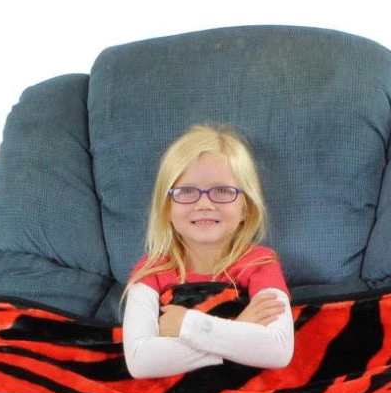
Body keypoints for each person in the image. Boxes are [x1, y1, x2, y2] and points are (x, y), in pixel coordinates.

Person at [123, 124, 294, 380]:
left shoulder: (261, 263)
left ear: (245, 208)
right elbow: (140, 361)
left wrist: (187, 325)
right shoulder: (151, 268)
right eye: (186, 191)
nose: (204, 204)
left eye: (222, 191)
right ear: (166, 208)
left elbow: (278, 349)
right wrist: (239, 329)